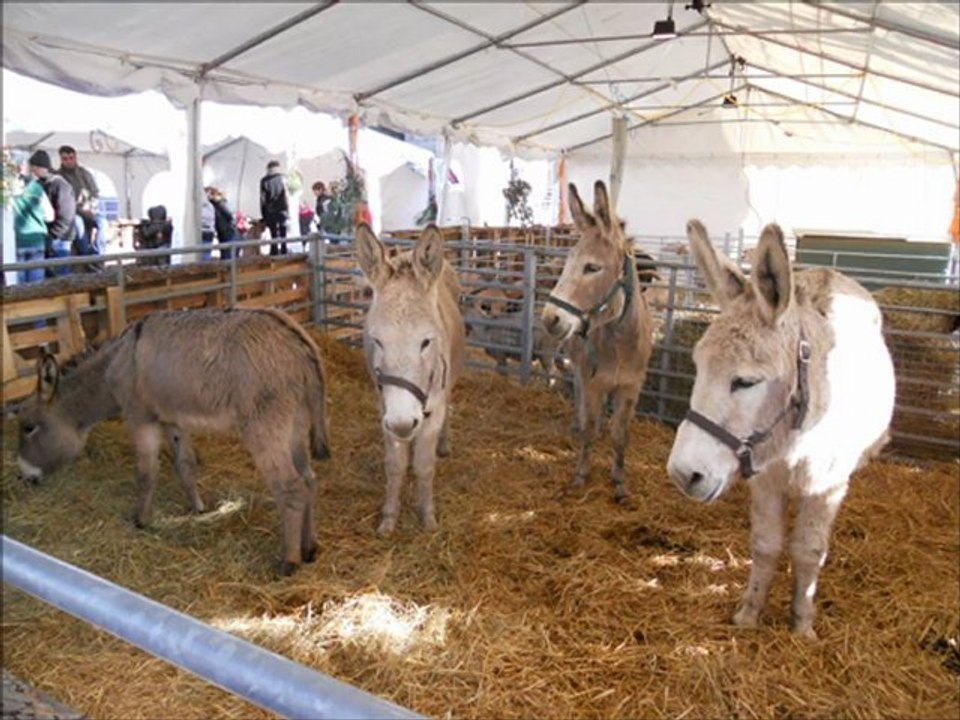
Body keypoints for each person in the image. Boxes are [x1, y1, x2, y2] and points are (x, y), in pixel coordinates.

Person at [30, 150, 77, 277]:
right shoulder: (39, 184)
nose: (32, 172)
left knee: (62, 276)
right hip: (50, 236)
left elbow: (66, 215)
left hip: (61, 237)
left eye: (33, 168)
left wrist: (53, 236)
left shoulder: (60, 184)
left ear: (40, 167)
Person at [12, 155, 55, 283]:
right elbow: (50, 216)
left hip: (16, 241)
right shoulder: (36, 188)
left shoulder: (6, 190)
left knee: (18, 286)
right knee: (36, 285)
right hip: (36, 239)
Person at [56, 145, 103, 256]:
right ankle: (86, 254)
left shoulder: (84, 174)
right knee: (78, 223)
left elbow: (95, 192)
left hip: (88, 209)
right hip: (71, 213)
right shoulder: (58, 177)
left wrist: (91, 206)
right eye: (65, 159)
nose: (69, 161)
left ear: (76, 157)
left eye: (71, 158)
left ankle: (100, 254)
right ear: (61, 159)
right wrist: (80, 210)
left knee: (103, 223)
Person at [259, 160, 289, 255]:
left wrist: (263, 214)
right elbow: (287, 195)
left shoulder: (264, 181)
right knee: (283, 231)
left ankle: (274, 250)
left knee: (273, 232)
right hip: (282, 209)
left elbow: (262, 199)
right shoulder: (283, 178)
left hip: (270, 210)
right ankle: (284, 249)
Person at [206, 186, 239, 260]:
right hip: (227, 229)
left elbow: (228, 214)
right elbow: (229, 215)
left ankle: (227, 267)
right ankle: (229, 267)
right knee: (228, 251)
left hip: (222, 229)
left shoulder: (214, 204)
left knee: (225, 251)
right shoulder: (219, 203)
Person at [200, 188, 216, 260]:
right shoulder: (211, 206)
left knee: (201, 253)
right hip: (210, 231)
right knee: (207, 253)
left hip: (202, 231)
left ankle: (204, 269)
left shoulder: (199, 207)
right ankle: (207, 268)